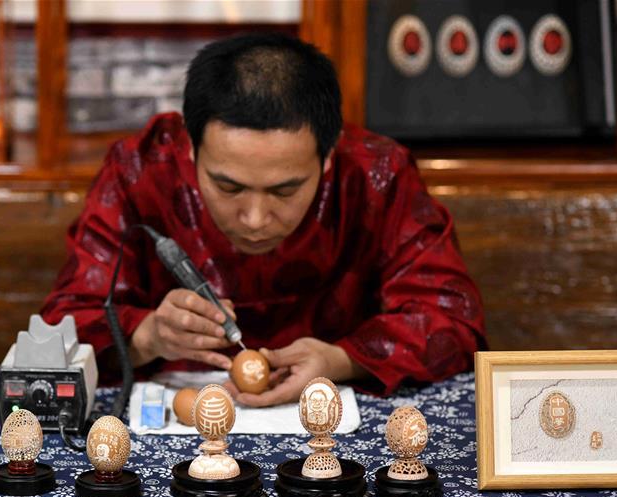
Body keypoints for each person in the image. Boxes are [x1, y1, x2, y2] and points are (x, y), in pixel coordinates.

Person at [42, 33, 486, 406]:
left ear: (329, 157)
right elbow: (60, 329)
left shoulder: (376, 176)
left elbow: (452, 322)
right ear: (191, 151)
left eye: (285, 190)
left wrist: (339, 359)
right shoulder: (139, 170)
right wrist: (146, 336)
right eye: (229, 188)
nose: (255, 219)